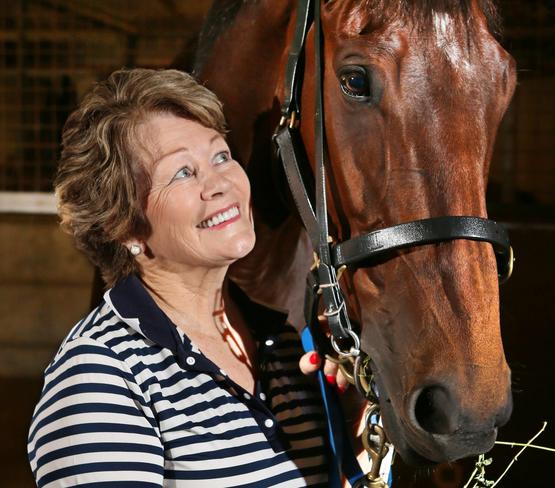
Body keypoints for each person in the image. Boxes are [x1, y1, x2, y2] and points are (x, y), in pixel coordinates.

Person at [27, 68, 341, 487]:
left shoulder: (281, 343)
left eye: (221, 156)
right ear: (124, 225)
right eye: (182, 173)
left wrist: (354, 431)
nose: (220, 184)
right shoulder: (99, 376)